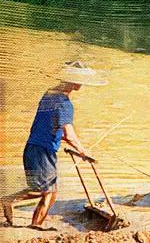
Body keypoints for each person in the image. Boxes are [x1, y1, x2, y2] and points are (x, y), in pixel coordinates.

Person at [1, 61, 107, 231]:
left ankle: (33, 223)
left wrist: (64, 140)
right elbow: (69, 133)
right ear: (73, 80)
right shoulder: (64, 104)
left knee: (46, 190)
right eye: (80, 80)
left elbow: (50, 126)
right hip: (43, 151)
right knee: (47, 191)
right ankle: (19, 211)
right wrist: (83, 151)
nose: (81, 84)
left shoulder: (49, 94)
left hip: (33, 147)